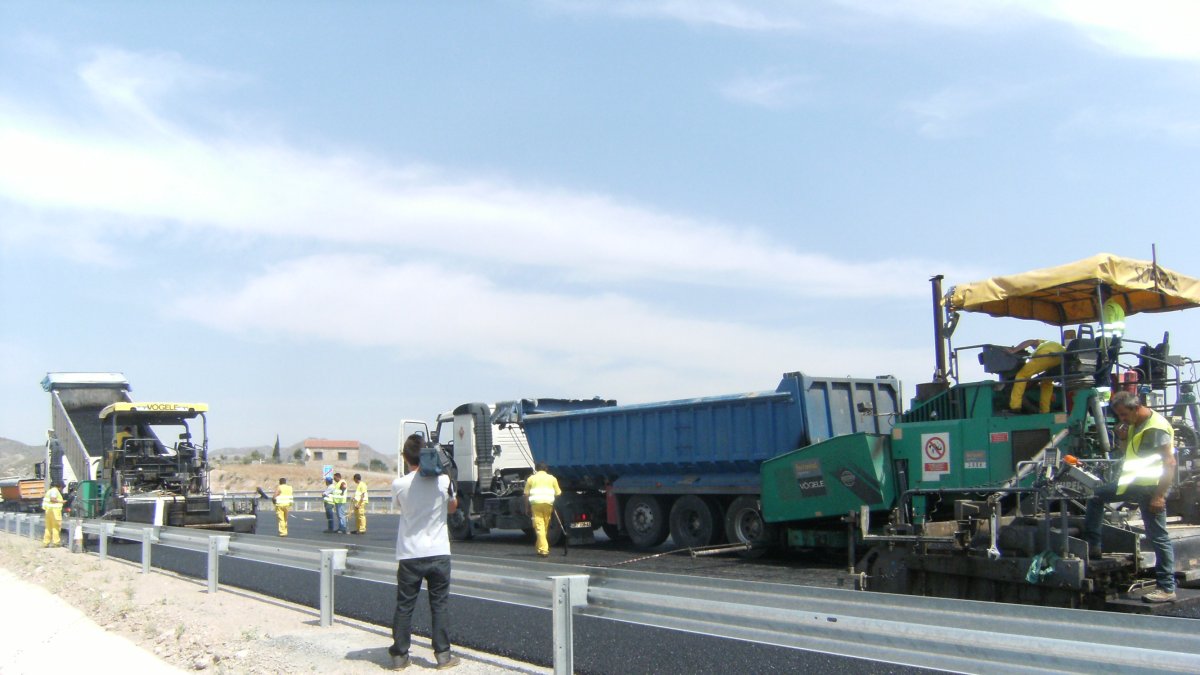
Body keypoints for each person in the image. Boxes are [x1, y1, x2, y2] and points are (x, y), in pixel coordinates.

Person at [1083, 391, 1177, 603]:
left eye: (1124, 415)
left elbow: (1169, 463)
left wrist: (1159, 496)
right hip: (1134, 484)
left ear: (1136, 408)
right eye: (1119, 416)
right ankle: (1094, 547)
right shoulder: (1137, 424)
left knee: (1158, 537)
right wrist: (1123, 438)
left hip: (1151, 488)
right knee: (1096, 496)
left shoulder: (1156, 427)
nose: (1122, 419)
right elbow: (1131, 455)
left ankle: (1167, 588)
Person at [389, 433, 460, 670]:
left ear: (405, 457)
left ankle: (399, 655)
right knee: (439, 605)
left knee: (405, 605)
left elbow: (400, 507)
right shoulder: (443, 482)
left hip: (410, 554)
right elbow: (452, 509)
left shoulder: (399, 484)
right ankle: (443, 655)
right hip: (439, 552)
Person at [1007, 331, 1074, 414]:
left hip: (1045, 354)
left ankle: (1015, 406)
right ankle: (1045, 410)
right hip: (1060, 357)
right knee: (1047, 382)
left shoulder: (1042, 344)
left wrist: (1014, 350)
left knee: (1022, 376)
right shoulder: (1055, 345)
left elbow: (1030, 342)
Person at [523, 462, 562, 557]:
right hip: (548, 505)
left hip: (536, 505)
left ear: (536, 469)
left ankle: (544, 550)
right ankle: (539, 547)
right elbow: (558, 493)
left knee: (539, 527)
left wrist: (526, 508)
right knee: (544, 526)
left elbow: (526, 494)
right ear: (546, 469)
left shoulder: (531, 479)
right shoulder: (552, 478)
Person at [42, 480, 65, 547]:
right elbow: (52, 499)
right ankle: (56, 542)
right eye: (62, 488)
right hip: (55, 512)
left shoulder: (49, 491)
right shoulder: (55, 491)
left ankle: (46, 542)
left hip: (48, 511)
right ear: (60, 486)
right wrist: (61, 501)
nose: (62, 489)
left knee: (48, 528)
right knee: (56, 527)